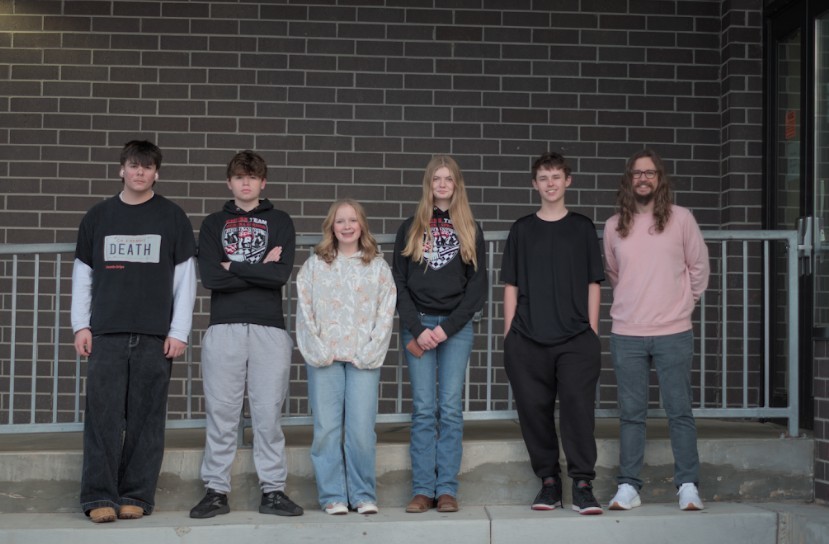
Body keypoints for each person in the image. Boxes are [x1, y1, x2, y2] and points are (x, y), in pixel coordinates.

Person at [71, 140, 197, 523]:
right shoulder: (99, 216)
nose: (139, 172)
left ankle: (137, 496)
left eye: (147, 167)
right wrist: (81, 324)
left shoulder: (172, 217)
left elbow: (185, 280)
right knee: (102, 417)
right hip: (106, 333)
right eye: (133, 165)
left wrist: (179, 331)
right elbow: (83, 276)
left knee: (147, 420)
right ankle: (98, 496)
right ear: (121, 169)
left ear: (156, 173)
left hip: (154, 335)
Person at [189, 150, 303, 519]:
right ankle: (215, 491)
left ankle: (273, 491)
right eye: (239, 177)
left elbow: (279, 276)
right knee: (222, 413)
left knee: (268, 414)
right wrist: (257, 266)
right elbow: (211, 278)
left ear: (263, 182)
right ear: (229, 182)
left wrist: (232, 264)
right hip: (224, 327)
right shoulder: (212, 224)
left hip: (270, 328)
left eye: (252, 177)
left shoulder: (281, 221)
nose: (246, 182)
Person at [603, 148, 709, 512]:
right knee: (631, 413)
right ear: (628, 180)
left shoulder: (681, 219)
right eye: (637, 173)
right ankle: (629, 487)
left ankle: (688, 486)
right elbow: (616, 275)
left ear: (659, 179)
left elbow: (698, 268)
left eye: (650, 173)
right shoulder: (614, 225)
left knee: (679, 410)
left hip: (673, 331)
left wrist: (683, 305)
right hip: (627, 332)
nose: (643, 178)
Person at [501, 152, 604, 515]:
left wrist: (591, 330)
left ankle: (582, 484)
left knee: (578, 411)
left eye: (556, 176)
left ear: (568, 181)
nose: (550, 183)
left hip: (576, 339)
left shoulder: (582, 227)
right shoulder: (522, 229)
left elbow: (594, 281)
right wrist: (509, 335)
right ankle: (548, 483)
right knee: (534, 412)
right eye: (543, 177)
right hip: (527, 339)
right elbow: (510, 284)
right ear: (535, 184)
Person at [392, 155, 487, 514]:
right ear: (428, 184)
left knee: (448, 408)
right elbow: (398, 283)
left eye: (449, 179)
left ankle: (446, 489)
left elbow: (477, 289)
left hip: (455, 329)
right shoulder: (411, 227)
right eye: (437, 179)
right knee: (423, 409)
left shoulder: (470, 229)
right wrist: (419, 328)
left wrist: (445, 329)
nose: (442, 184)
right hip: (417, 325)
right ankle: (422, 490)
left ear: (456, 185)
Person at [296, 199, 396, 515]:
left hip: (363, 359)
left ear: (362, 225)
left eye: (353, 220)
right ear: (331, 226)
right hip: (326, 358)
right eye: (340, 221)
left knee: (361, 430)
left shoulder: (377, 265)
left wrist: (370, 350)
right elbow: (304, 308)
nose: (347, 226)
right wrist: (319, 349)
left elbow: (386, 311)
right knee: (326, 429)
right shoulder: (315, 264)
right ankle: (333, 496)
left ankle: (363, 494)